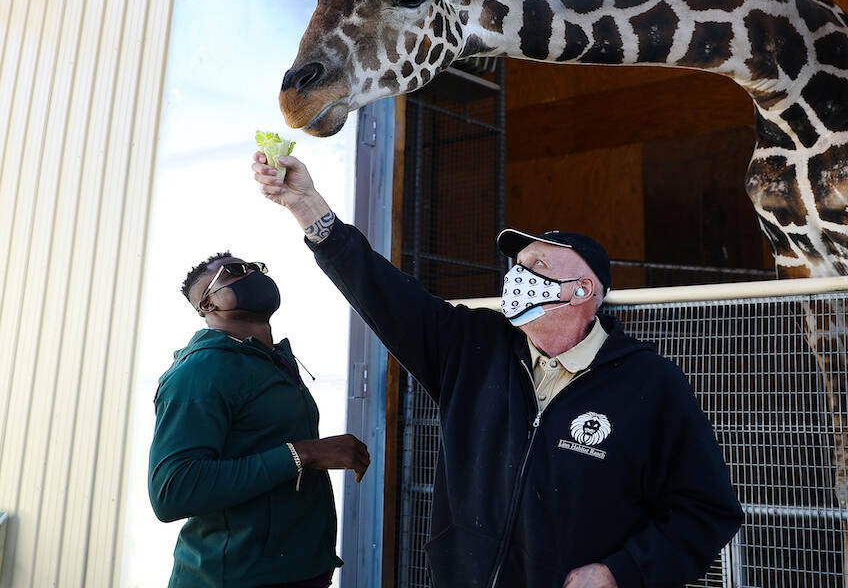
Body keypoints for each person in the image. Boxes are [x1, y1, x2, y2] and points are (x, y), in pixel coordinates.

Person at [252, 151, 744, 588]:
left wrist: (620, 572)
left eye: (539, 267)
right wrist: (307, 206)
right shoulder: (473, 345)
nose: (520, 277)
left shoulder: (650, 384)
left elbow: (708, 511)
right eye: (519, 265)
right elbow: (384, 294)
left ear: (584, 291)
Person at [149, 252, 372, 588]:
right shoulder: (200, 372)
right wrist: (303, 453)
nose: (252, 273)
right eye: (235, 271)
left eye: (255, 268)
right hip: (236, 578)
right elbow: (173, 490)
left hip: (299, 574)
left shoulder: (268, 360)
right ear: (207, 305)